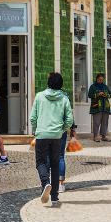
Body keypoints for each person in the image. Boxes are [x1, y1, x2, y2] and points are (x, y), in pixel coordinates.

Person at [29, 72, 74, 208]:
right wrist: (62, 130)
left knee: (40, 162)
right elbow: (69, 120)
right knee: (55, 164)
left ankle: (45, 183)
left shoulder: (39, 96)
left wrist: (36, 130)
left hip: (42, 135)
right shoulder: (64, 98)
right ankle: (54, 197)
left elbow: (33, 118)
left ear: (48, 83)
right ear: (61, 84)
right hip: (57, 137)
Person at [87, 73, 111, 142]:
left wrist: (106, 95)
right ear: (97, 79)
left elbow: (110, 94)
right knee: (96, 122)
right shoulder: (93, 86)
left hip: (105, 107)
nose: (101, 81)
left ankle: (103, 136)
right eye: (99, 79)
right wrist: (97, 94)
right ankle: (95, 136)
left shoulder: (105, 86)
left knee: (105, 122)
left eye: (102, 80)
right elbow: (89, 95)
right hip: (97, 107)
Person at [58, 123, 78, 191]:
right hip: (61, 129)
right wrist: (72, 129)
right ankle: (60, 184)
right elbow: (69, 118)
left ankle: (47, 183)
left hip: (47, 129)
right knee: (60, 156)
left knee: (48, 156)